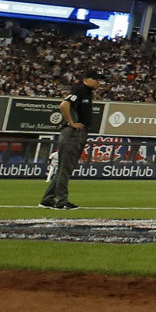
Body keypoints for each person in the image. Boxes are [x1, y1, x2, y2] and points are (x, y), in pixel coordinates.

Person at [41, 73, 101, 210]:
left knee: (64, 168)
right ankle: (61, 201)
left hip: (77, 133)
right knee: (65, 169)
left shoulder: (87, 93)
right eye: (95, 78)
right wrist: (71, 123)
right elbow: (64, 105)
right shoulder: (80, 90)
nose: (98, 82)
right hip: (73, 133)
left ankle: (47, 200)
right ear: (86, 79)